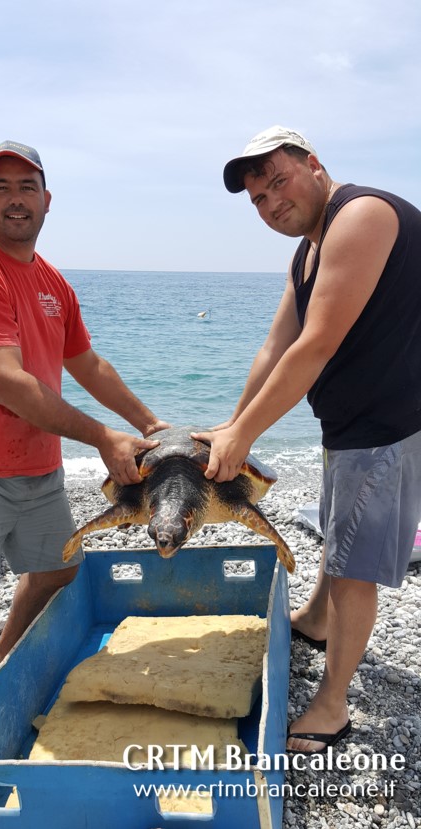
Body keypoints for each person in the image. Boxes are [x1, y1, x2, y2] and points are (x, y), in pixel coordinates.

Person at [0, 140, 169, 736]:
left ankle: (1, 664)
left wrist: (148, 424)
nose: (15, 200)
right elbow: (10, 384)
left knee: (57, 571)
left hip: (33, 463)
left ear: (47, 200)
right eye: (0, 188)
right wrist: (104, 438)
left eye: (26, 188)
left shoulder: (50, 280)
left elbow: (87, 362)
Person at [193, 125, 421, 754]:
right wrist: (230, 427)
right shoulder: (308, 251)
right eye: (258, 200)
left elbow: (316, 344)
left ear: (314, 164)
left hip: (386, 425)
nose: (271, 203)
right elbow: (277, 346)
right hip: (348, 423)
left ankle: (333, 704)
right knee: (336, 527)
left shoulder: (363, 215)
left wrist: (245, 436)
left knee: (355, 568)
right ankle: (318, 622)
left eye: (278, 181)